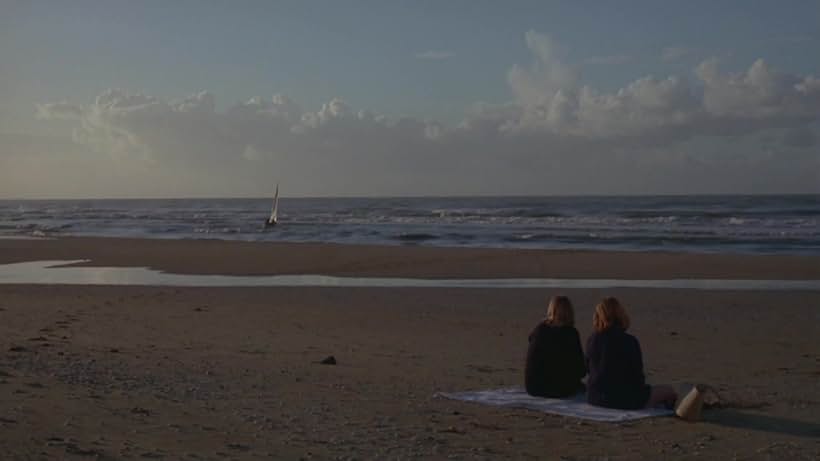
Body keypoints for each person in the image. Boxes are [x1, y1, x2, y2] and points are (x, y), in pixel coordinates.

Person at [585, 297, 677, 409]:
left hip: (595, 398)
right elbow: (637, 376)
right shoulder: (629, 341)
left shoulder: (592, 339)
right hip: (623, 399)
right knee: (668, 391)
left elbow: (589, 369)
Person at [525, 296, 587, 398]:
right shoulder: (570, 333)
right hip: (556, 389)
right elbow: (580, 370)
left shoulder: (539, 329)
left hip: (533, 387)